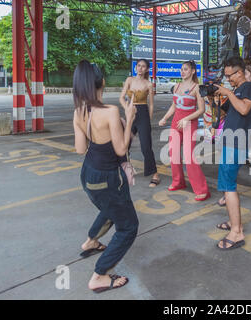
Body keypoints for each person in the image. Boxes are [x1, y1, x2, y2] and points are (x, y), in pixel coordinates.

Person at [73, 60, 138, 293]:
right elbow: (121, 149)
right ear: (100, 84)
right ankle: (100, 274)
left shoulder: (79, 111)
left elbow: (80, 149)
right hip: (108, 177)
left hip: (88, 174)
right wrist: (129, 118)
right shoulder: (110, 111)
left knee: (110, 207)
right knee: (129, 227)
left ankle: (91, 241)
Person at [216, 62, 251, 218]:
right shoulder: (238, 90)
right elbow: (224, 111)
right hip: (236, 133)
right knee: (234, 164)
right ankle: (229, 193)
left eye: (246, 73)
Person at [213, 56, 251, 250]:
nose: (228, 79)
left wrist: (228, 93)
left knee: (228, 185)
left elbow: (244, 108)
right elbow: (222, 113)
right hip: (231, 141)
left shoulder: (248, 88)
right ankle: (234, 222)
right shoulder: (236, 91)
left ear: (240, 73)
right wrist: (214, 98)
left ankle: (237, 232)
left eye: (230, 75)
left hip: (237, 142)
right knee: (226, 184)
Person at [158, 61, 210, 201]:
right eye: (181, 69)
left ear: (193, 71)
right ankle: (178, 182)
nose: (182, 71)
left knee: (189, 156)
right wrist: (165, 118)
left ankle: (201, 189)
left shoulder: (197, 88)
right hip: (176, 123)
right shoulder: (176, 86)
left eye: (185, 69)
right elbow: (174, 106)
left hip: (189, 123)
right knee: (173, 153)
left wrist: (186, 119)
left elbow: (201, 110)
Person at [120, 59, 160, 188]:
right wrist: (127, 109)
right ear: (135, 67)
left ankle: (155, 174)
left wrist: (148, 119)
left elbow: (152, 105)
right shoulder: (129, 80)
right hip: (130, 112)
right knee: (125, 144)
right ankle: (123, 170)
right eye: (138, 66)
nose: (140, 68)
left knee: (146, 146)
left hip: (142, 114)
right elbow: (121, 98)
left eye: (143, 66)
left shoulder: (149, 84)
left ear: (147, 69)